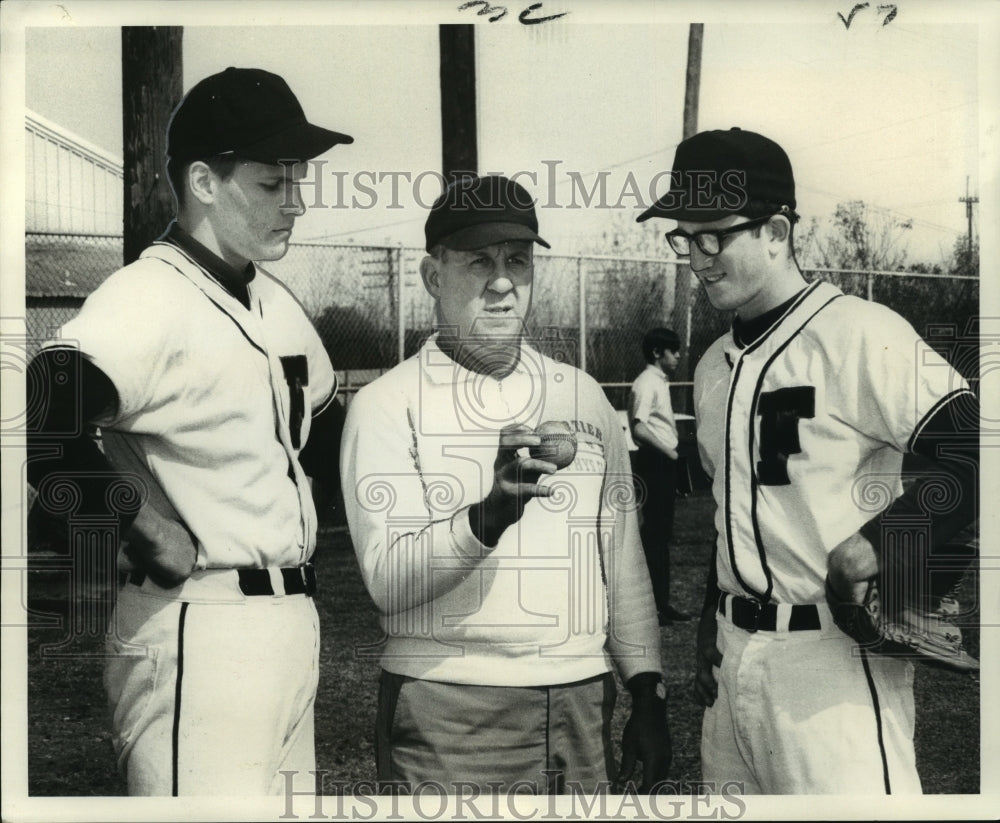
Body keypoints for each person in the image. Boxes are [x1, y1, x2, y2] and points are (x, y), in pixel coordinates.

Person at [25, 67, 353, 796]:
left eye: (297, 181)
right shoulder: (149, 297)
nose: (296, 203)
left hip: (290, 623)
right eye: (273, 184)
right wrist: (139, 522)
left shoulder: (271, 298)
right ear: (204, 182)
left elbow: (326, 423)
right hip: (199, 624)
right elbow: (44, 410)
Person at [636, 127, 979, 794]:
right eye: (684, 237)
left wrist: (878, 544)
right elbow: (736, 507)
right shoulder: (710, 366)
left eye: (714, 235)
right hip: (735, 661)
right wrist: (712, 607)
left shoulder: (858, 332)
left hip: (834, 662)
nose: (696, 257)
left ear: (777, 230)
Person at [340, 174, 670, 794]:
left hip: (580, 697)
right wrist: (489, 515)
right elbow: (388, 582)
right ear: (433, 276)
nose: (500, 282)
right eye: (478, 262)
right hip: (450, 705)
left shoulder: (581, 393)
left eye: (517, 262)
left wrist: (647, 689)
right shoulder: (387, 404)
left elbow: (622, 558)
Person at [629, 327, 691, 626]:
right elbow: (638, 428)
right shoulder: (646, 383)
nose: (678, 355)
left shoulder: (659, 382)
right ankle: (653, 606)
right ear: (657, 352)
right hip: (655, 463)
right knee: (654, 537)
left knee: (661, 536)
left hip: (663, 462)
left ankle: (660, 604)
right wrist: (668, 452)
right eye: (673, 349)